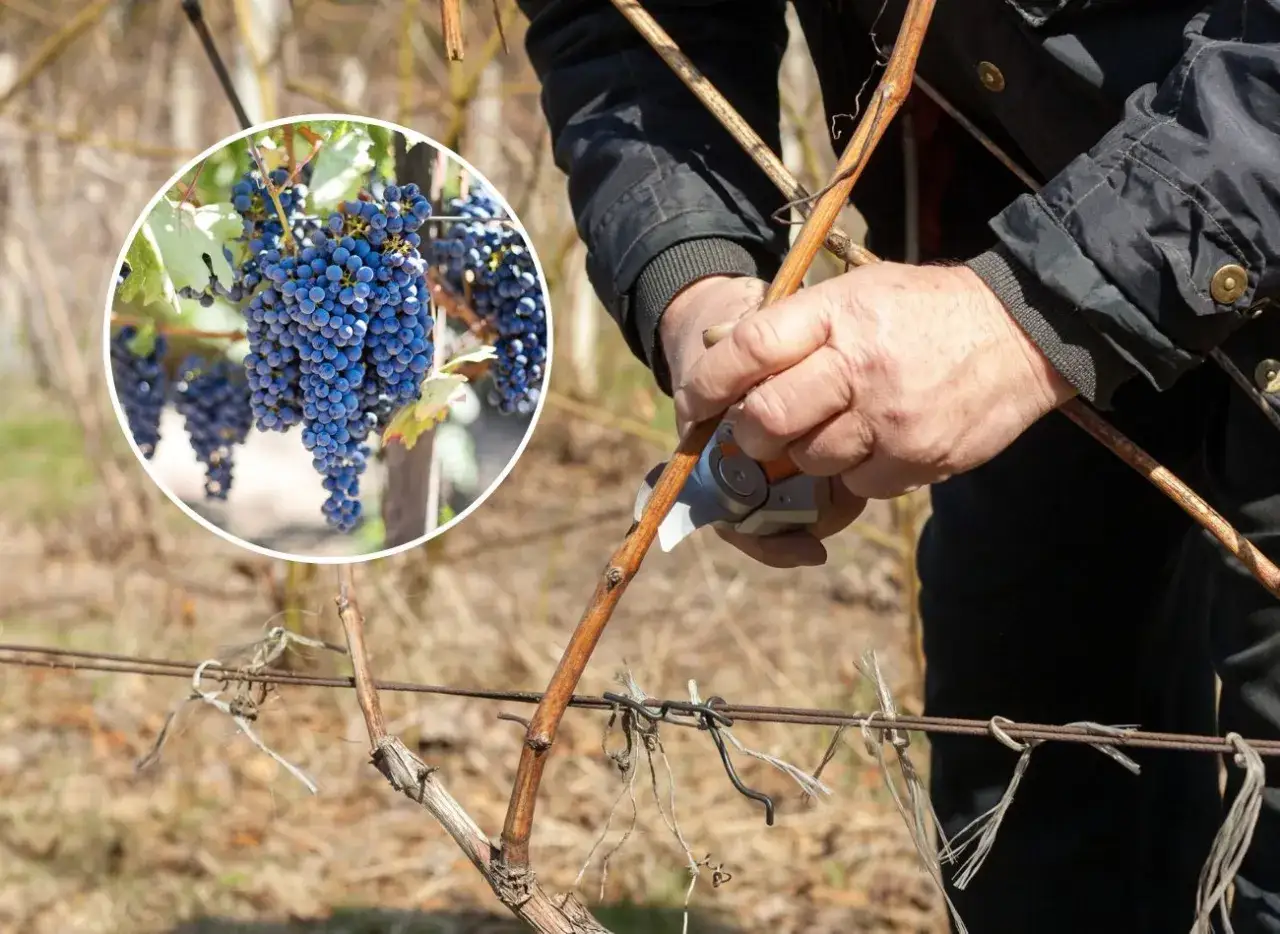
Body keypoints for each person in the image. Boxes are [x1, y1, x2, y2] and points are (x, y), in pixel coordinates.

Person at [515, 1, 1280, 931]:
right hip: (1006, 242)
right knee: (1037, 817)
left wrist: (1035, 311)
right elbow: (629, 19)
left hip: (1071, 273)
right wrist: (699, 282)